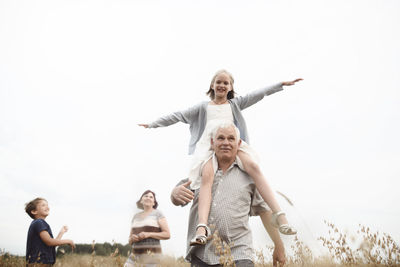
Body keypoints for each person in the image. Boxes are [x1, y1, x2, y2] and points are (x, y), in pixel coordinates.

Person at [139, 70, 302, 245]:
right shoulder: (203, 107)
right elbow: (178, 115)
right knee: (207, 177)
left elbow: (258, 95)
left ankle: (280, 215)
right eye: (219, 82)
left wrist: (280, 85)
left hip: (232, 144)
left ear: (231, 87)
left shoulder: (235, 104)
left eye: (226, 83)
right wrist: (153, 124)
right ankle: (201, 227)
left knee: (254, 167)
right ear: (212, 85)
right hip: (209, 148)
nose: (222, 85)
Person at [172, 122, 286, 266]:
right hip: (203, 254)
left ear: (238, 143)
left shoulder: (250, 176)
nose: (226, 142)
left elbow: (264, 211)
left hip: (239, 253)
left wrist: (279, 245)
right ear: (213, 143)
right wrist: (174, 194)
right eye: (221, 138)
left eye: (231, 139)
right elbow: (177, 198)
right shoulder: (200, 172)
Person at [124, 190, 170, 267]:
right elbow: (129, 240)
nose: (148, 198)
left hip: (152, 256)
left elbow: (167, 234)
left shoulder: (158, 214)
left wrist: (148, 234)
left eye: (151, 197)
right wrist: (132, 239)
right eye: (146, 196)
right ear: (141, 200)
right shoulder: (135, 217)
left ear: (154, 203)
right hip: (135, 256)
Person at [25, 197, 75, 266]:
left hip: (43, 263)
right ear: (34, 211)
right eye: (43, 205)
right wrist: (68, 241)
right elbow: (49, 242)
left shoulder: (40, 223)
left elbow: (52, 244)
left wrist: (61, 233)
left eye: (47, 205)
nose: (47, 207)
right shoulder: (39, 222)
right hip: (38, 263)